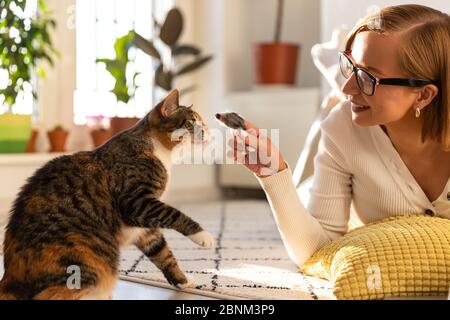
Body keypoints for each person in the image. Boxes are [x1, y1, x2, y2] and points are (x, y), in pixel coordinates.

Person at [227, 4, 450, 267]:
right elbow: (316, 251)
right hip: (328, 178)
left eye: (368, 77)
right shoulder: (342, 126)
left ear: (424, 95)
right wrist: (273, 174)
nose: (348, 88)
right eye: (350, 67)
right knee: (306, 181)